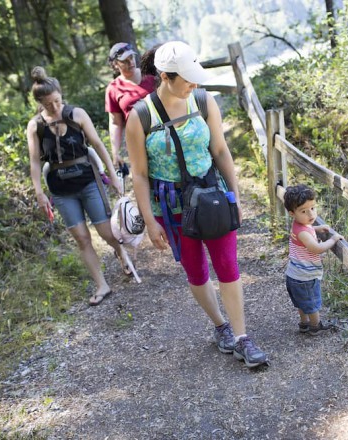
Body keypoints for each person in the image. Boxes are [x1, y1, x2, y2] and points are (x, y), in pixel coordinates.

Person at [125, 41, 268, 368]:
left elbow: (220, 151)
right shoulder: (141, 116)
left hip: (212, 197)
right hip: (173, 209)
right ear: (164, 76)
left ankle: (243, 338)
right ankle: (221, 327)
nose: (194, 84)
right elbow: (140, 175)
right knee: (196, 271)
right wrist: (150, 220)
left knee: (228, 266)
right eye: (187, 79)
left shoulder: (203, 102)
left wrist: (235, 195)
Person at [26, 66, 130, 306]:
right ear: (40, 103)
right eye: (49, 104)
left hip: (88, 181)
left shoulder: (77, 114)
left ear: (61, 96)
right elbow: (34, 162)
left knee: (105, 232)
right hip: (61, 190)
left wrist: (113, 175)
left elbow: (98, 145)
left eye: (57, 101)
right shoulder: (35, 126)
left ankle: (120, 250)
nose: (54, 107)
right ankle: (102, 285)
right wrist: (39, 193)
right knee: (82, 238)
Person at [283, 184, 344, 335]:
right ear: (292, 213)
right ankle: (315, 326)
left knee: (301, 302)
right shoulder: (303, 232)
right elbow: (315, 248)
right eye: (304, 211)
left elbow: (306, 230)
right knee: (311, 303)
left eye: (312, 208)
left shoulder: (299, 224)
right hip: (306, 277)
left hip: (294, 274)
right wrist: (333, 240)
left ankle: (304, 323)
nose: (310, 214)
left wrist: (316, 228)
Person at [105, 42, 157, 168]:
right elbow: (115, 123)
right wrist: (115, 151)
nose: (131, 62)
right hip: (137, 140)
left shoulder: (151, 76)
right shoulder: (113, 88)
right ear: (115, 64)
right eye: (125, 61)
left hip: (162, 132)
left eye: (132, 58)